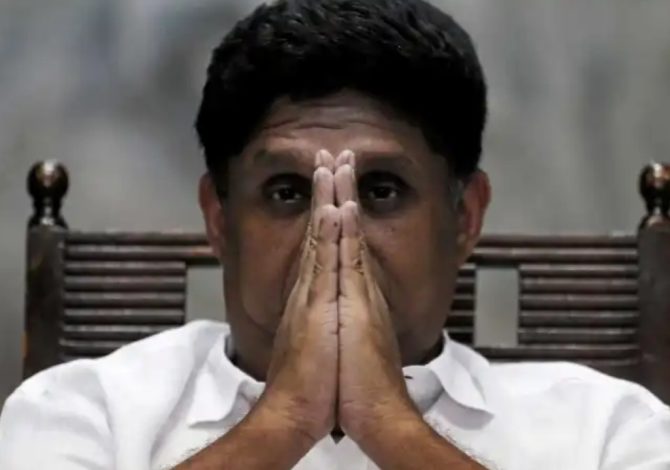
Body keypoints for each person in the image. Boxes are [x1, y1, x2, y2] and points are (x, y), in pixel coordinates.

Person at [1, 0, 669, 468]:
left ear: (464, 219)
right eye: (288, 192)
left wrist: (388, 423)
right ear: (219, 220)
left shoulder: (606, 429)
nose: (333, 230)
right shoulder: (81, 412)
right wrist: (286, 419)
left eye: (380, 190)